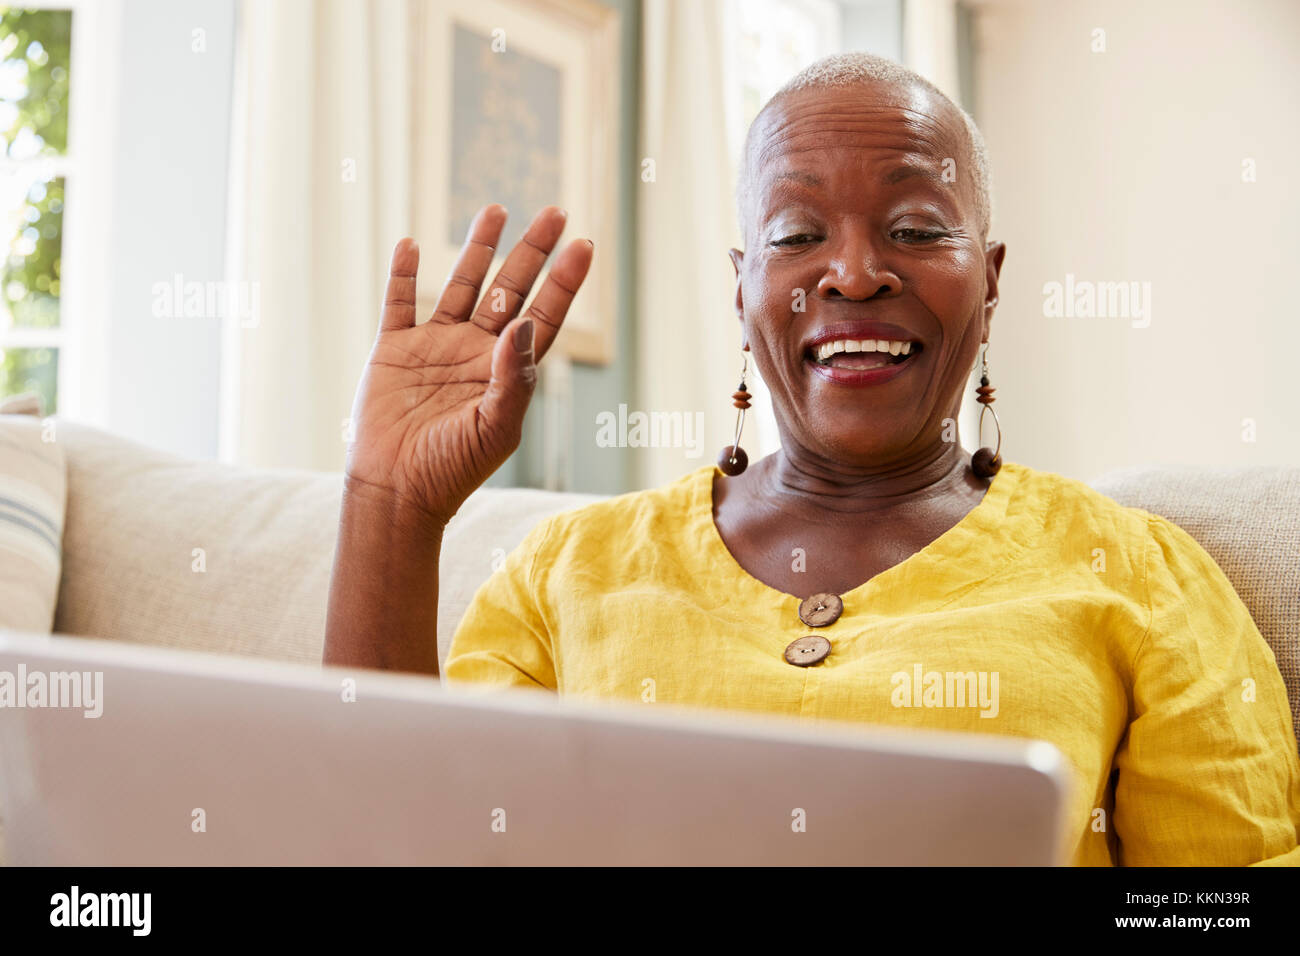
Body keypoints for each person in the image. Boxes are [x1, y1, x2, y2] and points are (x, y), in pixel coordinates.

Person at [324, 52, 1300, 866]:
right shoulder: (565, 573)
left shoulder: (1141, 576)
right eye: (796, 235)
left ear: (988, 283)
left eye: (915, 229)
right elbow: (399, 848)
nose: (853, 272)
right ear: (742, 288)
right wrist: (391, 505)